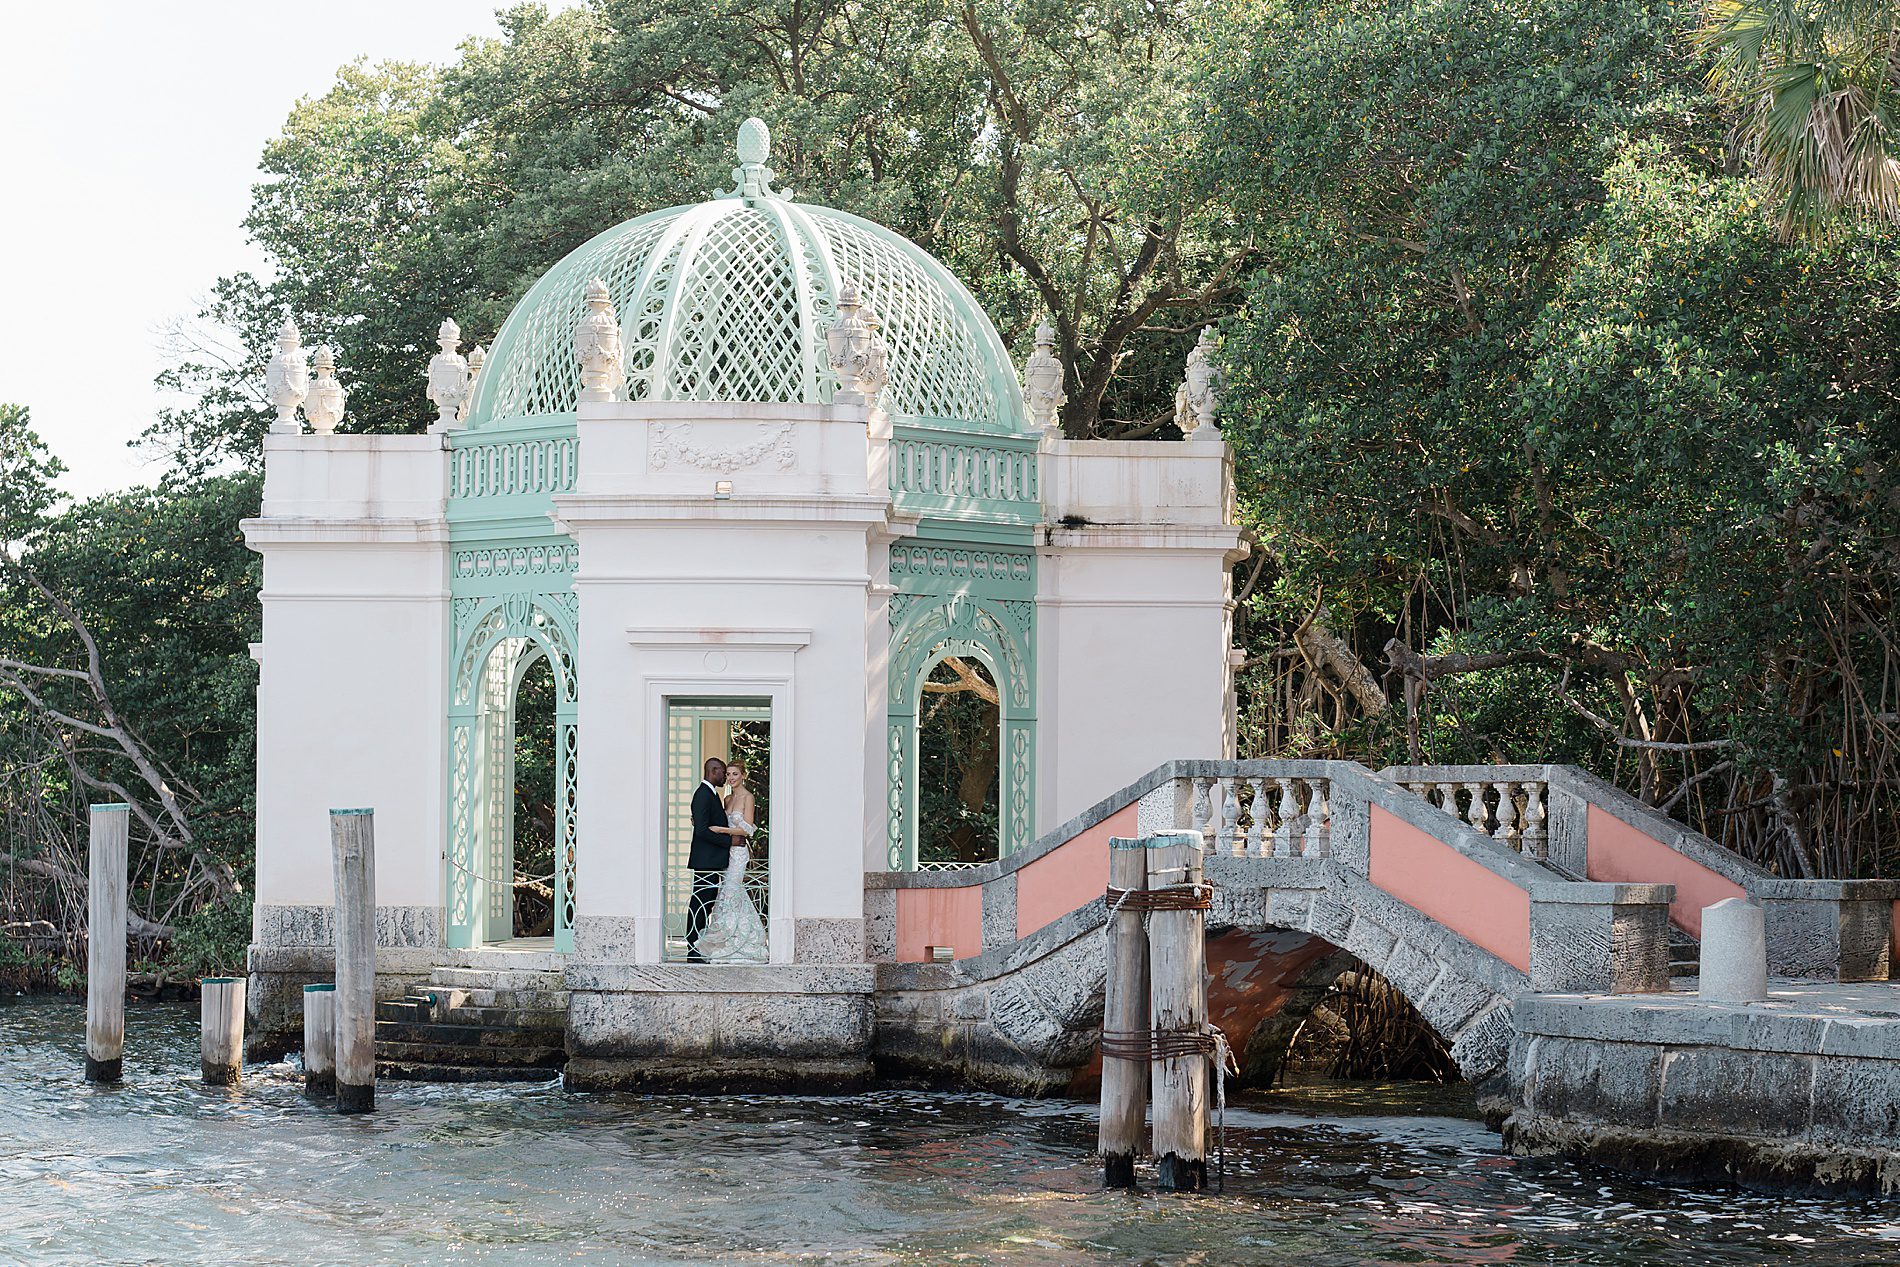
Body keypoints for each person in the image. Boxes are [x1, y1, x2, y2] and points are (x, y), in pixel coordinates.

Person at [697, 757, 767, 962]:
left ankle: (742, 940)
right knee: (725, 892)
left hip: (738, 853)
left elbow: (747, 829)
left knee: (731, 890)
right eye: (728, 774)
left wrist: (721, 829)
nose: (730, 778)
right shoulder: (726, 800)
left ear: (743, 775)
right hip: (724, 852)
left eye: (735, 774)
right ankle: (726, 939)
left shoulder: (748, 798)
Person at [685, 757, 729, 963]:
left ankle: (699, 945)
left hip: (711, 860)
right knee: (699, 904)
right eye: (723, 772)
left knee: (707, 903)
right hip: (705, 860)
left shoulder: (711, 794)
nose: (725, 777)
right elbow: (701, 830)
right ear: (713, 771)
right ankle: (692, 947)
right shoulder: (703, 795)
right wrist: (728, 842)